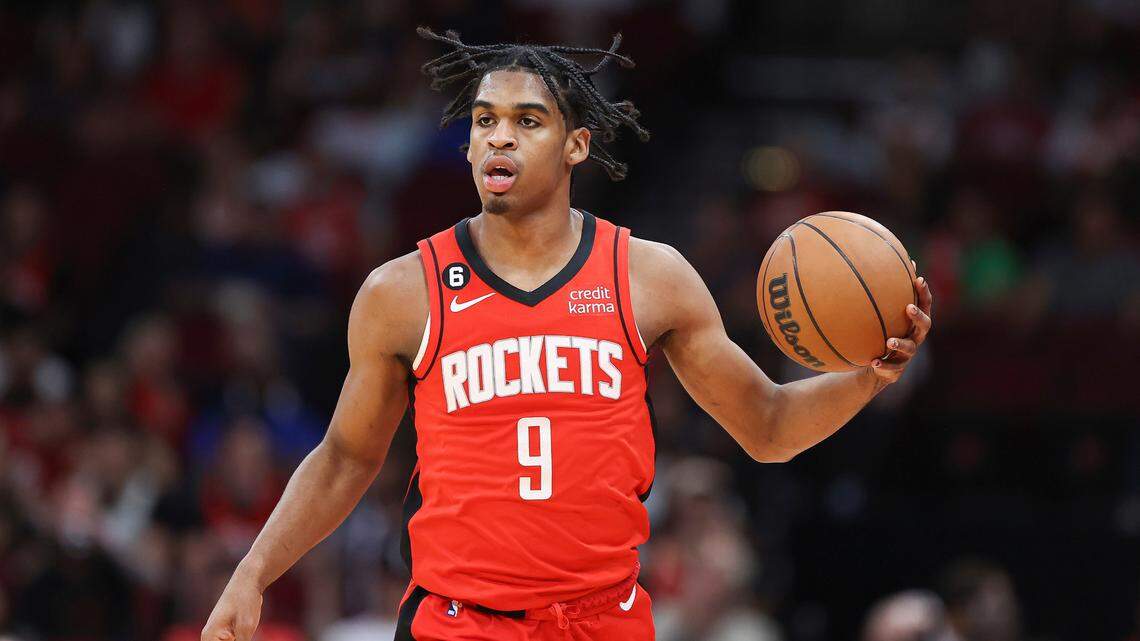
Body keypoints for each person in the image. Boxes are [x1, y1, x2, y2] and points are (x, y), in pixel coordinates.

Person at [201, 28, 933, 641]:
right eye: (485, 120)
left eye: (527, 120)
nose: (499, 137)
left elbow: (768, 425)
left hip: (601, 621)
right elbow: (343, 460)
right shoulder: (402, 292)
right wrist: (253, 571)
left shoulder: (650, 277)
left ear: (577, 145)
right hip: (461, 623)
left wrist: (868, 377)